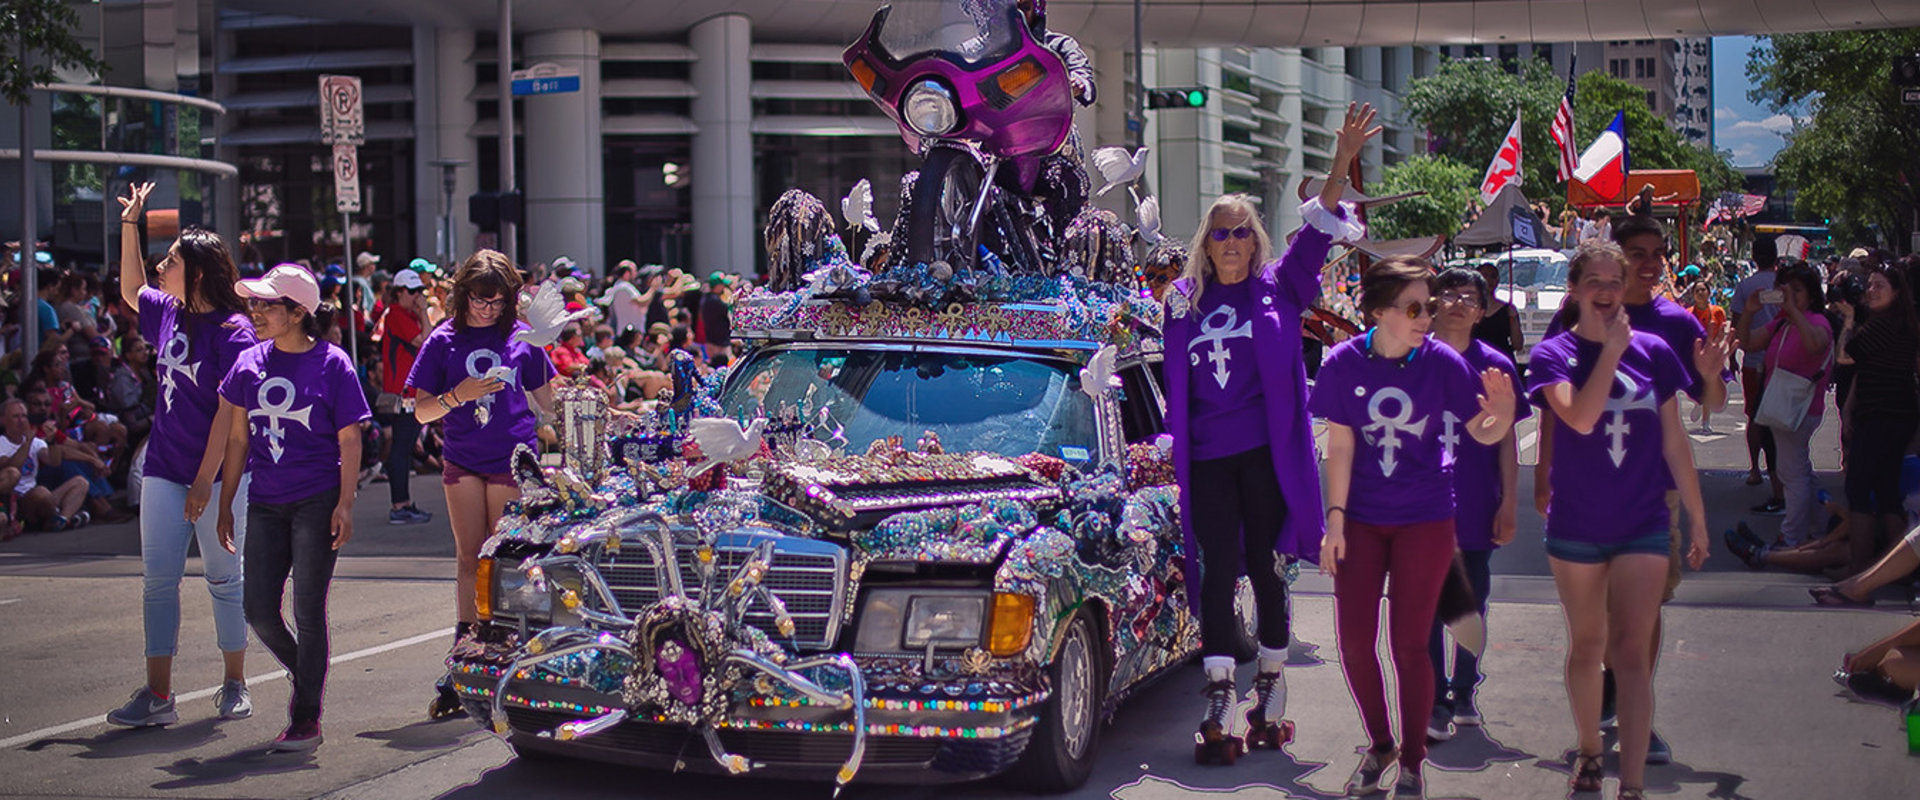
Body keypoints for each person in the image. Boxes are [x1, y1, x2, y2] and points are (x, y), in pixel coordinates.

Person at [1164, 102, 1378, 766]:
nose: (1230, 243)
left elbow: (1317, 229)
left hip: (1265, 458)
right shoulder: (1182, 302)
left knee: (1267, 568)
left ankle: (1273, 683)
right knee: (1216, 570)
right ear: (1206, 242)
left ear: (1255, 241)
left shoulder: (1280, 289)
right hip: (1207, 459)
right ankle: (1221, 690)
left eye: (1241, 233)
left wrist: (1340, 163)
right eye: (1219, 234)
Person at [1311, 259, 1515, 798]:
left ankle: (1412, 761)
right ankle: (1380, 745)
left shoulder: (1443, 363)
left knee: (1408, 645)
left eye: (1428, 305)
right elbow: (1341, 445)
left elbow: (1481, 430)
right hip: (1360, 520)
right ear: (1378, 312)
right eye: (1415, 307)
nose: (1428, 316)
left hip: (1425, 517)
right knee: (1354, 643)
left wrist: (1502, 412)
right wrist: (1334, 522)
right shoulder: (1341, 363)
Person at [1536, 215, 1732, 767]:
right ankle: (1598, 722)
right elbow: (1564, 414)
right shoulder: (1565, 333)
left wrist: (1713, 376)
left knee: (1642, 618)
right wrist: (1541, 470)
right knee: (1592, 628)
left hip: (1653, 498)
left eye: (1656, 254)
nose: (1647, 264)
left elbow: (1703, 407)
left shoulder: (1672, 325)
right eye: (1635, 253)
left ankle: (1632, 719)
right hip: (1582, 501)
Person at [106, 183, 261, 728]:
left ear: (196, 272)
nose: (160, 266)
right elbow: (130, 288)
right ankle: (158, 696)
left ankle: (235, 683)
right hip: (164, 470)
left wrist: (205, 483)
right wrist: (131, 222)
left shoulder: (235, 332)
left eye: (170, 260)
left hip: (219, 477)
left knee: (224, 577)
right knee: (158, 580)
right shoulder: (167, 312)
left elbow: (230, 415)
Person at [214, 264, 368, 752]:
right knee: (257, 608)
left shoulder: (334, 363)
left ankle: (306, 717)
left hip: (317, 500)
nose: (255, 312)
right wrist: (224, 502)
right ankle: (308, 671)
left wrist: (345, 502)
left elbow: (350, 437)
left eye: (267, 305)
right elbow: (237, 438)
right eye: (254, 303)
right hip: (264, 502)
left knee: (306, 607)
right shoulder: (247, 364)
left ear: (299, 312)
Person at [407, 249, 557, 719]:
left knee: (506, 560)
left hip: (511, 459)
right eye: (479, 300)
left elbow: (548, 402)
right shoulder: (443, 340)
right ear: (463, 294)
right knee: (470, 557)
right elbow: (421, 410)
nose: (487, 309)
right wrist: (458, 396)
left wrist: (583, 405)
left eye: (496, 302)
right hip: (463, 458)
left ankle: (509, 648)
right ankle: (464, 655)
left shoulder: (522, 337)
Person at [1424, 267, 1529, 742]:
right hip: (1418, 503)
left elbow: (1507, 441)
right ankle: (1433, 695)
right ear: (1433, 301)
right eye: (1449, 293)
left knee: (1472, 603)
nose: (1458, 302)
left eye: (1470, 297)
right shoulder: (1411, 358)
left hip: (1475, 500)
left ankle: (1465, 689)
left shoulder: (1496, 366)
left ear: (1483, 311)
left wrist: (1509, 502)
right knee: (1424, 602)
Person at [1832, 260, 1920, 575]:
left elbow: (1844, 356)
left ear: (1898, 292)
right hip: (1897, 416)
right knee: (1885, 492)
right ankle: (1901, 568)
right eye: (1869, 285)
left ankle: (1860, 566)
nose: (1871, 291)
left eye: (1880, 285)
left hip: (1881, 417)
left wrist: (1850, 319)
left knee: (1859, 488)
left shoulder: (1884, 325)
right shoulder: (1903, 324)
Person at [1736, 262, 1831, 548]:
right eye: (1785, 290)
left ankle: (1792, 535)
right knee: (1799, 470)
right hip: (1782, 405)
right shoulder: (1780, 322)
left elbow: (1816, 346)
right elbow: (1747, 343)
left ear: (1812, 296)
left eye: (1798, 291)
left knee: (1792, 474)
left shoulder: (1817, 322)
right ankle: (1817, 528)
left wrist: (1793, 311)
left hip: (1801, 408)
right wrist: (1750, 311)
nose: (1790, 295)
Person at [1730, 238, 1784, 513]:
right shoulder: (1784, 284)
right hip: (1783, 359)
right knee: (1781, 419)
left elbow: (1736, 322)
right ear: (1776, 257)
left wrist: (1731, 355)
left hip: (1753, 359)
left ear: (1754, 256)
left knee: (1754, 416)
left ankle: (1754, 469)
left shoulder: (1746, 285)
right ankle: (1780, 471)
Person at [375, 268, 433, 525]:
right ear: (399, 292)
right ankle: (399, 505)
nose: (417, 296)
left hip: (410, 392)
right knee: (401, 448)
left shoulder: (404, 314)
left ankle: (404, 503)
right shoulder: (397, 315)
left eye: (419, 291)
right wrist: (423, 312)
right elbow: (427, 342)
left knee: (405, 448)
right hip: (402, 393)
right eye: (412, 291)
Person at [0, 398, 89, 531]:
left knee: (81, 482)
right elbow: (11, 467)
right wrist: (26, 443)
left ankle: (62, 520)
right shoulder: (2, 442)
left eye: (24, 416)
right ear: (3, 420)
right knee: (41, 493)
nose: (21, 420)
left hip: (39, 496)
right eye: (15, 417)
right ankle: (61, 517)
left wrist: (52, 441)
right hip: (16, 501)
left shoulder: (36, 442)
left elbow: (54, 461)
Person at [1686, 280, 1727, 434]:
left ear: (1709, 293)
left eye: (1703, 290)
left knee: (1707, 386)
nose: (1700, 293)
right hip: (1693, 355)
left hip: (1711, 355)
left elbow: (1722, 331)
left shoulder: (1717, 311)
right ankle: (1698, 401)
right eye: (1697, 291)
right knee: (1695, 386)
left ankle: (1706, 422)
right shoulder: (1688, 314)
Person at [1470, 262, 1522, 366]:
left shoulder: (1508, 310)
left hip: (1501, 361)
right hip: (1475, 362)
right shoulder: (1469, 308)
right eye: (1485, 276)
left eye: (1493, 276)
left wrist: (1513, 319)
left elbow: (1518, 345)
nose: (1489, 280)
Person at [596, 260, 647, 333]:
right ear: (627, 273)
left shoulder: (621, 286)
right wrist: (653, 288)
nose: (636, 274)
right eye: (634, 271)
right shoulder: (624, 287)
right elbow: (642, 302)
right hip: (628, 332)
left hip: (630, 330)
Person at [700, 272, 736, 366]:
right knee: (724, 368)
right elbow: (730, 309)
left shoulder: (706, 298)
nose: (724, 287)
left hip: (712, 340)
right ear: (717, 286)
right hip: (719, 343)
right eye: (722, 285)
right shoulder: (714, 300)